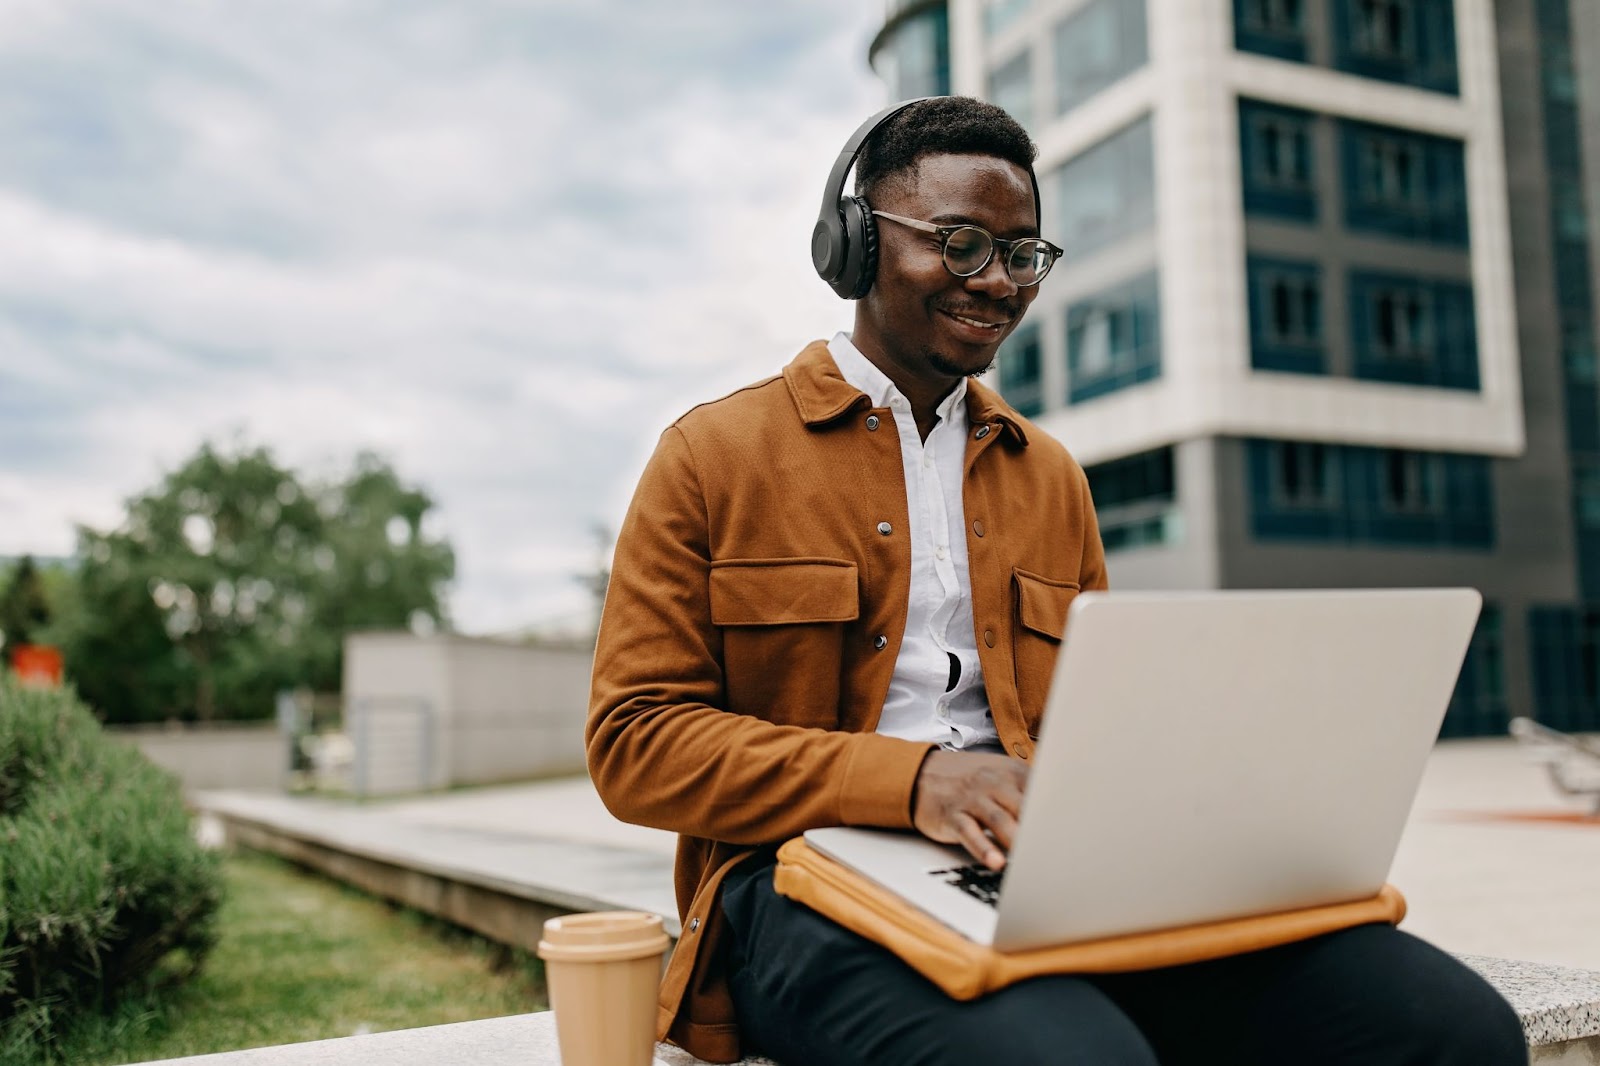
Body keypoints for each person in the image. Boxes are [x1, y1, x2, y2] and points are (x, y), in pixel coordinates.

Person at [587, 96, 1524, 1066]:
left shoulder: (1050, 475)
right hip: (800, 885)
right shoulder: (711, 455)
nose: (996, 281)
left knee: (1452, 1031)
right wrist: (913, 781)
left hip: (1049, 871)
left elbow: (1103, 722)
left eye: (1020, 253)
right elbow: (634, 743)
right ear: (856, 245)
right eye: (958, 246)